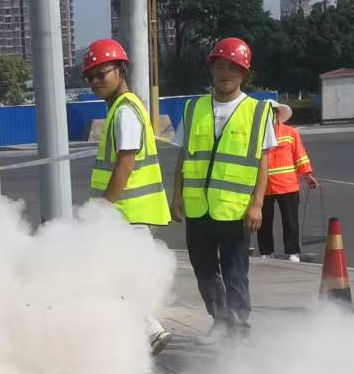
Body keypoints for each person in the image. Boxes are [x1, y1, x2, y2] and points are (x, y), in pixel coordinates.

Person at [171, 37, 277, 338]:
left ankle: (239, 327)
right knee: (203, 269)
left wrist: (257, 205)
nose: (225, 73)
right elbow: (183, 156)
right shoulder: (194, 108)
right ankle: (220, 320)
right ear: (211, 69)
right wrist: (177, 195)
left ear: (244, 73)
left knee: (235, 272)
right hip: (198, 207)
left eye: (233, 68)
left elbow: (263, 163)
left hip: (236, 210)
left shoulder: (258, 112)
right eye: (219, 66)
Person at [81, 38, 173, 355]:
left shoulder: (125, 112)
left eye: (101, 73)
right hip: (128, 215)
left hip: (128, 215)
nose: (95, 81)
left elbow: (126, 163)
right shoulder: (121, 109)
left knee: (113, 280)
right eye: (89, 77)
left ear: (121, 70)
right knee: (116, 279)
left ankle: (150, 332)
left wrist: (105, 207)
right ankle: (141, 337)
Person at [256, 102, 319, 261]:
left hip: (287, 185)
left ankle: (293, 252)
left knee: (290, 221)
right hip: (264, 186)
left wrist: (308, 175)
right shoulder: (256, 134)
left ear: (277, 115)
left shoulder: (290, 133)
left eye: (272, 113)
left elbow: (300, 155)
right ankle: (266, 251)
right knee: (264, 222)